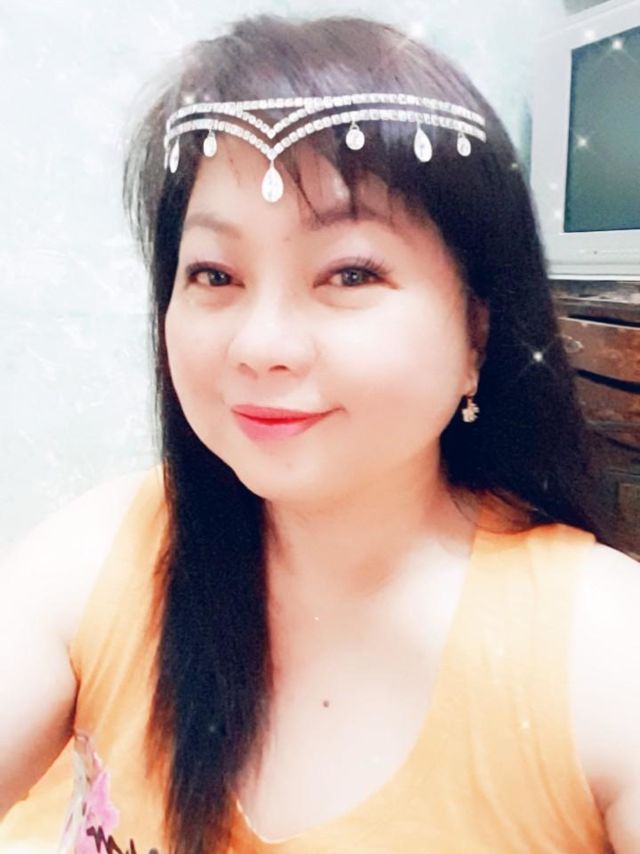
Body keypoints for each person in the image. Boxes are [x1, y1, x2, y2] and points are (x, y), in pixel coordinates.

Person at [0, 12, 638, 854]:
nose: (259, 345)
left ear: (477, 332)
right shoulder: (106, 555)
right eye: (214, 273)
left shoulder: (602, 657)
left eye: (350, 272)